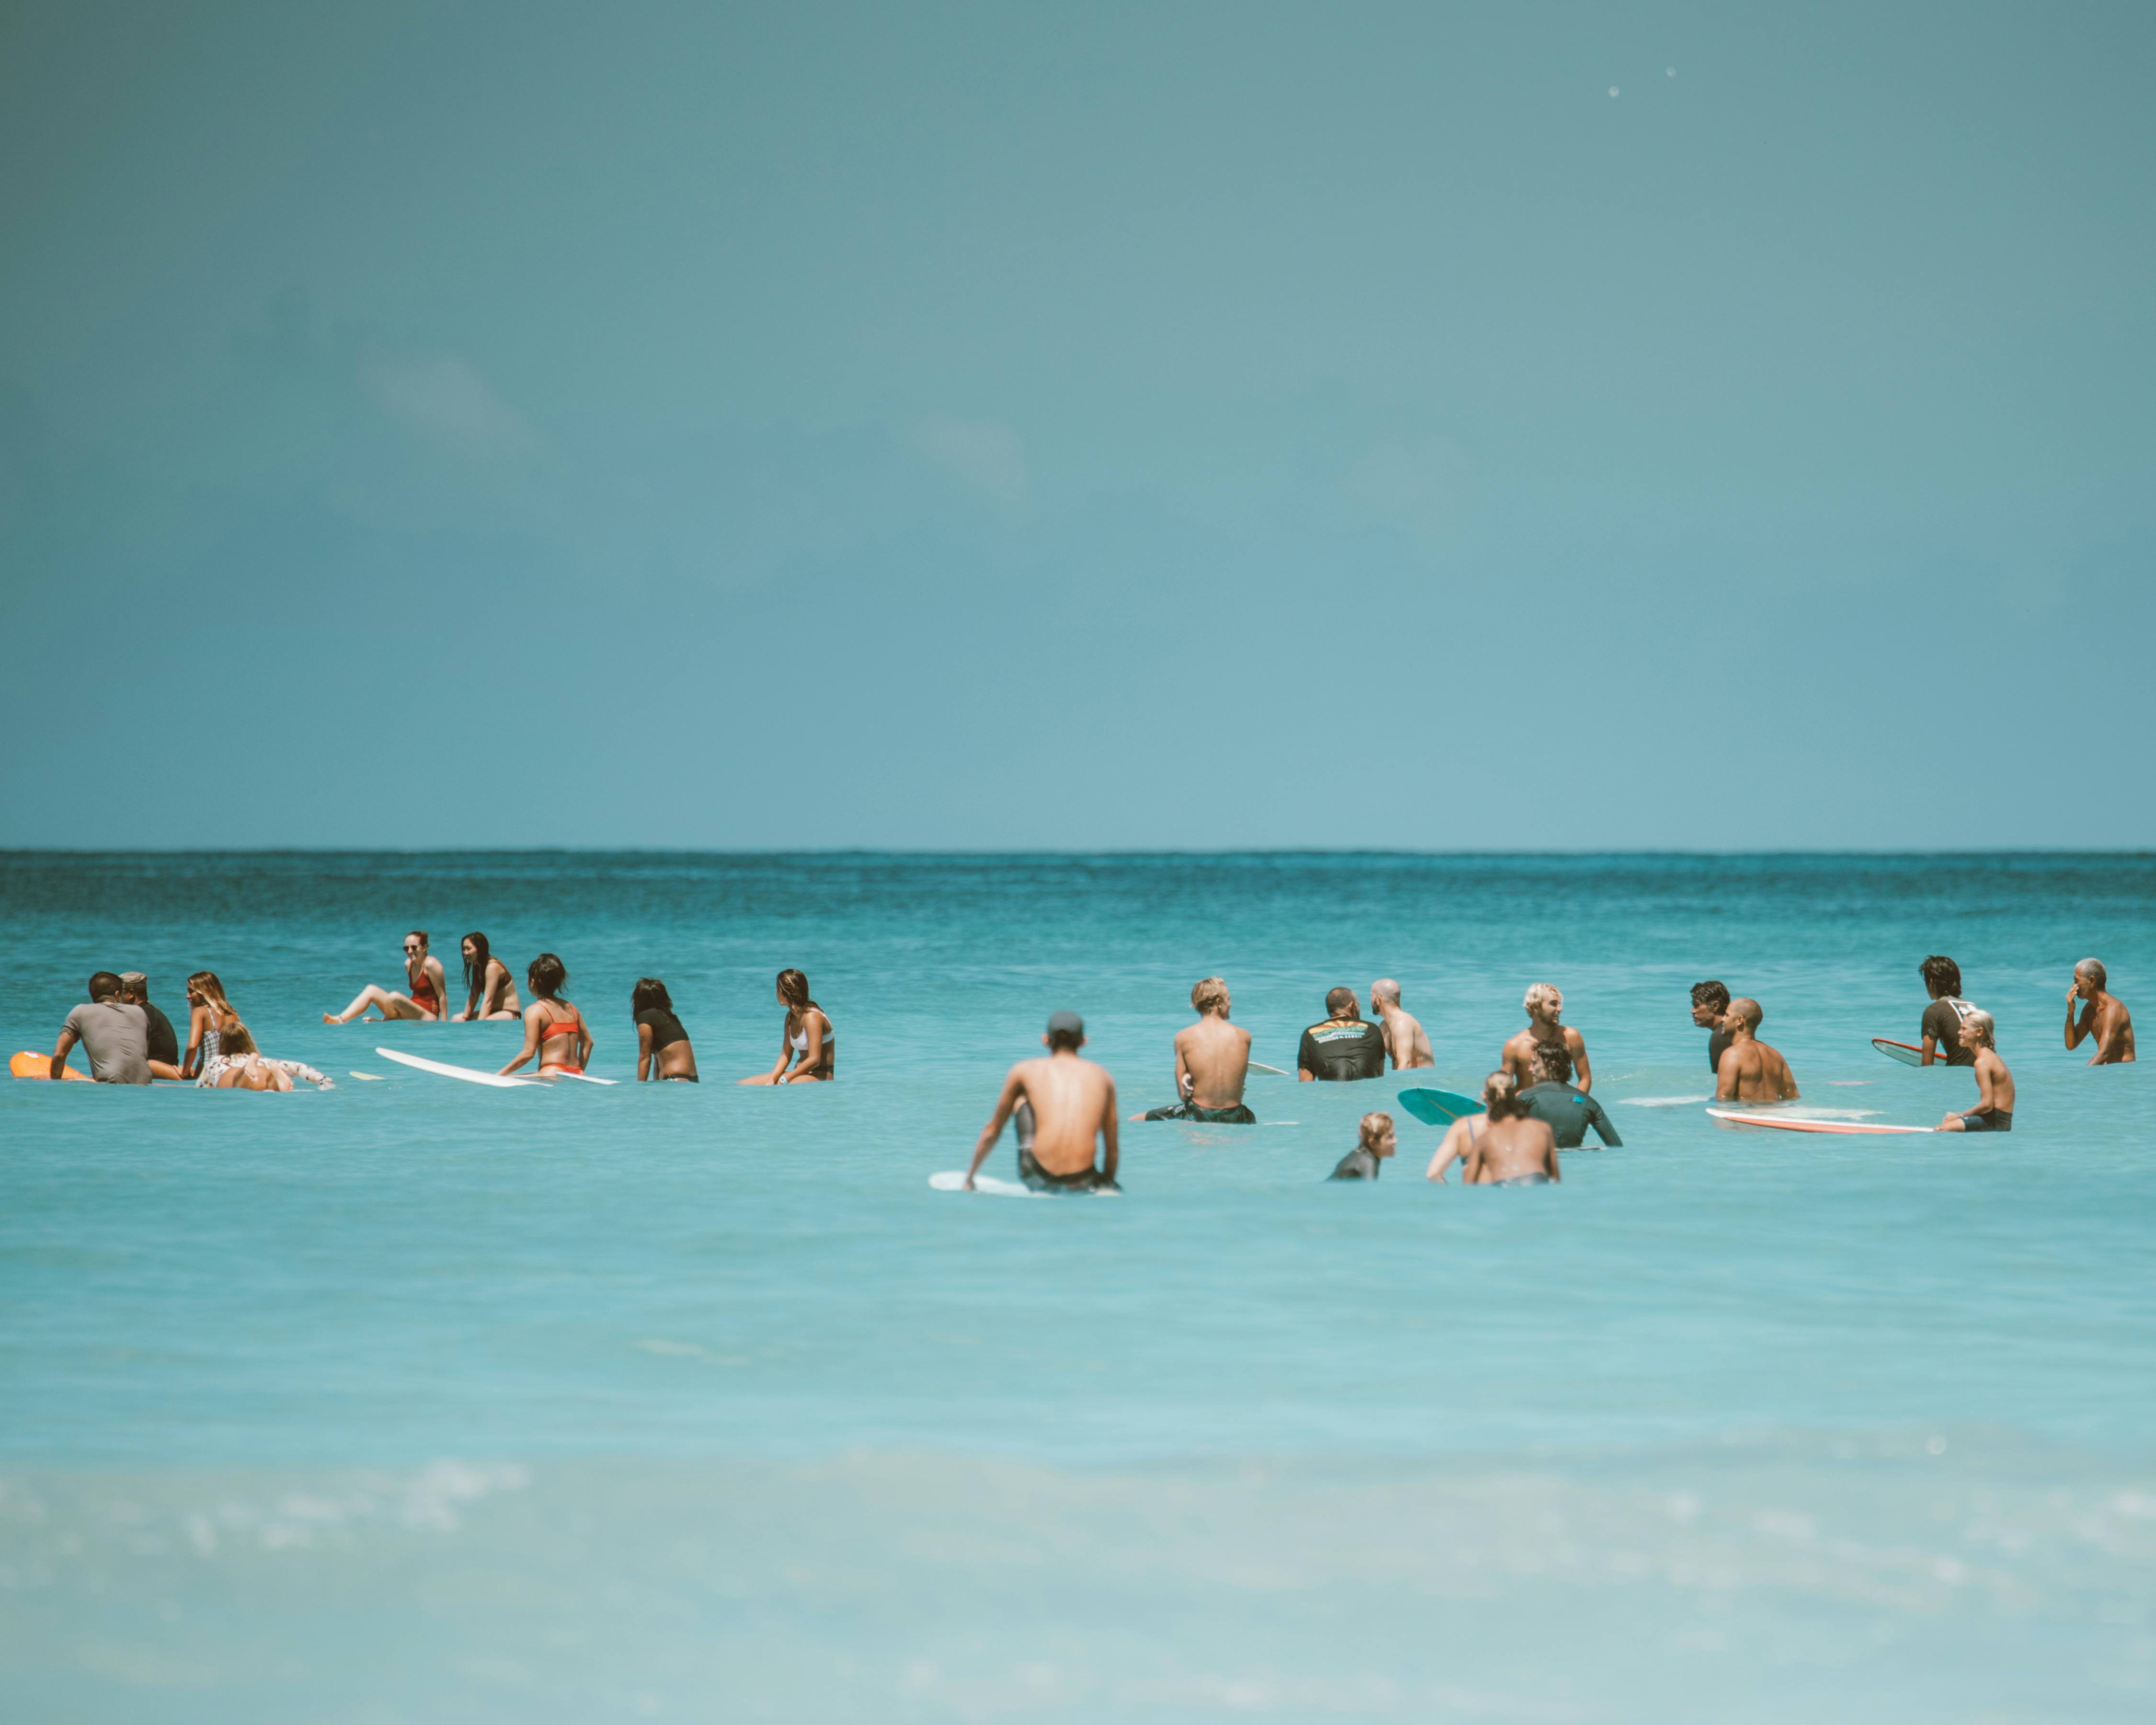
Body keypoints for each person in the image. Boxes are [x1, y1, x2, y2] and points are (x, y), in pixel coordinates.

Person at [964, 1010, 1119, 1192]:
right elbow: (1112, 1149)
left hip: (1038, 1177)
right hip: (1083, 1182)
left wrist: (970, 1179)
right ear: (1083, 1042)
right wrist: (1106, 1183)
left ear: (1045, 1040)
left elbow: (993, 1130)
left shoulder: (1024, 1070)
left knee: (1022, 1097)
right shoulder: (1102, 1076)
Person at [1134, 976, 1255, 1122]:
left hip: (1199, 1114)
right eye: (1228, 999)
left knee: (1137, 1118)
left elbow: (1183, 1096)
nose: (1230, 1004)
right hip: (1236, 1115)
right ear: (1218, 1002)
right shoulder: (1243, 1036)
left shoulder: (1183, 1037)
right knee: (1248, 1115)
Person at [1425, 1072, 1561, 1185]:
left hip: (1483, 1203)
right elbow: (1554, 1178)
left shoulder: (1465, 1128)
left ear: (1484, 1096)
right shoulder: (1534, 1127)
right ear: (1514, 1095)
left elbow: (1433, 1174)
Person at [48, 972, 151, 1084]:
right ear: (117, 995)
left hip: (111, 1084)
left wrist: (54, 1083)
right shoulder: (139, 1013)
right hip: (145, 1083)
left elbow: (59, 1055)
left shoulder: (81, 1012)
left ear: (92, 995)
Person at [499, 953, 592, 1078]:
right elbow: (588, 1043)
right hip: (577, 1072)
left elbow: (528, 1053)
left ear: (533, 982)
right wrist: (578, 1073)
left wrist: (499, 1075)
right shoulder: (572, 1009)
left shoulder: (535, 1010)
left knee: (509, 1078)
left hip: (552, 1072)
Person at [324, 932, 448, 1024]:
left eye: (414, 947)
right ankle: (341, 1019)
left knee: (394, 996)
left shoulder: (432, 964)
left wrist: (444, 1026)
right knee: (371, 989)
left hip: (428, 1016)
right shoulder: (408, 964)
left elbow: (442, 996)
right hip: (412, 1012)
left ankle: (384, 1022)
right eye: (406, 948)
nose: (410, 951)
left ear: (425, 947)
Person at [1518, 1041, 1622, 1149]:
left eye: (1534, 1063)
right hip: (1576, 1161)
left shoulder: (1525, 1097)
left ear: (1551, 1065)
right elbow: (1616, 1147)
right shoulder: (1589, 1102)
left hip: (1537, 1162)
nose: (1530, 1069)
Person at [739, 969, 836, 1084]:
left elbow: (814, 1059)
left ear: (784, 992)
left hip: (820, 1074)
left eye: (777, 989)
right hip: (798, 1074)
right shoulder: (790, 1017)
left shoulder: (812, 1017)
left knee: (784, 1085)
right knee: (743, 1084)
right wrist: (771, 1080)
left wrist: (786, 1079)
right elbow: (785, 1056)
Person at [195, 1017, 334, 1090]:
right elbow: (297, 1067)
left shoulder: (217, 1061)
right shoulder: (264, 1062)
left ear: (223, 1042)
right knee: (273, 1080)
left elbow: (201, 1088)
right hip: (261, 1071)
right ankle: (275, 1080)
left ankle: (244, 1074)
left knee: (237, 1081)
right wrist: (321, 1080)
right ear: (247, 1040)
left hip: (232, 1075)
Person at [1501, 982, 1591, 1093]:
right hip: (1525, 1105)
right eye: (1554, 1004)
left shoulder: (1571, 1037)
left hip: (1558, 1102)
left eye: (1559, 1003)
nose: (1560, 1009)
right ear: (1536, 1007)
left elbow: (1585, 1078)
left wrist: (1577, 1104)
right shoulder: (1514, 1046)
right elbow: (1504, 1087)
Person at [1937, 1009, 2013, 1131]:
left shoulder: (1982, 1062)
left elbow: (1987, 1105)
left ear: (1979, 1032)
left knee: (1941, 1129)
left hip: (1995, 1121)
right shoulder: (1990, 1057)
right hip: (2001, 1120)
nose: (1959, 1032)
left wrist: (1960, 1115)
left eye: (1964, 1029)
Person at [1714, 998, 1800, 1102]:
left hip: (1745, 1115)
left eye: (1727, 1015)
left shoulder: (1732, 1055)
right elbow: (1792, 1097)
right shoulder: (1775, 1055)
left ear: (1740, 1020)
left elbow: (1723, 1100)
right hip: (1772, 1115)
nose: (1723, 1019)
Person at [1297, 987, 1388, 1082]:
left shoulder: (1310, 1034)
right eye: (1358, 1005)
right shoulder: (1372, 1029)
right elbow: (1379, 1076)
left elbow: (1305, 1083)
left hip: (1330, 1095)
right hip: (1365, 1095)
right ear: (1351, 1006)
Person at [2064, 959, 2135, 1065]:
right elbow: (2071, 1045)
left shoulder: (2113, 1009)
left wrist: (2082, 1076)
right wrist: (2071, 1011)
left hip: (2124, 1073)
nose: (2074, 986)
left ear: (2091, 982)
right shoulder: (2089, 1010)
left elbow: (2104, 1053)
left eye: (2076, 980)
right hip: (2109, 1072)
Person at [1917, 955, 1979, 1067]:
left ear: (1931, 982)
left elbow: (1927, 1066)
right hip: (1989, 1072)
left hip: (1960, 1077)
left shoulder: (1933, 1011)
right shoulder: (1973, 1007)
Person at [632, 978, 699, 1081]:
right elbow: (658, 1061)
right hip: (692, 1080)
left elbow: (645, 1058)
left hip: (673, 1079)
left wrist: (640, 1089)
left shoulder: (645, 1017)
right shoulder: (671, 1019)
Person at [117, 972, 182, 1078]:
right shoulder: (151, 1012)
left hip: (156, 1069)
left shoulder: (139, 1015)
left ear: (131, 993)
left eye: (120, 993)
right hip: (166, 1069)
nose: (117, 998)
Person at [180, 971, 238, 1080]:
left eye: (191, 992)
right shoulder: (232, 1013)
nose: (188, 996)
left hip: (211, 1072)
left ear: (204, 991)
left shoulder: (200, 1012)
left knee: (152, 1065)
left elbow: (193, 1047)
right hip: (231, 1070)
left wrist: (185, 1073)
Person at [452, 933, 522, 1021]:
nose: (466, 953)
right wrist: (464, 1020)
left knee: (486, 1021)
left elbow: (488, 1000)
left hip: (510, 1013)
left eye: (469, 949)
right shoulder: (477, 967)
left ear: (480, 949)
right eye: (464, 949)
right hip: (493, 1012)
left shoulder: (492, 967)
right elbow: (473, 997)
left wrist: (480, 1025)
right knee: (456, 1019)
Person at [1370, 979, 1434, 1070]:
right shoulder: (1384, 1027)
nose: (1370, 1000)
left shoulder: (1403, 1024)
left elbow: (1406, 1064)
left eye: (1371, 996)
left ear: (1379, 1000)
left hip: (1421, 1082)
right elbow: (1373, 1059)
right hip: (1407, 1081)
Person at [1329, 1111, 1396, 1179]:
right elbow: (1370, 1189)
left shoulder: (1358, 1156)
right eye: (1390, 1137)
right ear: (1374, 1144)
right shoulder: (1368, 1163)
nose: (1395, 1141)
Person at [1690, 980, 1732, 1076]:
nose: (1692, 1011)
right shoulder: (1734, 1031)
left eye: (1697, 1005)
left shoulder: (1720, 1035)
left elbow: (1726, 1084)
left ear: (1715, 1006)